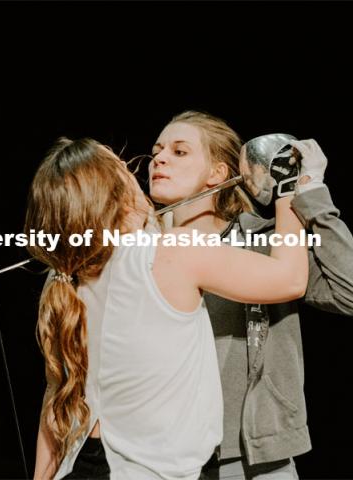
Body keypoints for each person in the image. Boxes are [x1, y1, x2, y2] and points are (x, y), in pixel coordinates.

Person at [26, 136, 308, 480]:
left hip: (81, 467)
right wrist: (290, 186)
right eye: (124, 169)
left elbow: (54, 406)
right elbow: (290, 278)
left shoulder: (64, 278)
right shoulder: (173, 251)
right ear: (117, 191)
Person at [148, 111, 353, 479]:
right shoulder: (139, 251)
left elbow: (349, 292)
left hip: (254, 461)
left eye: (179, 152)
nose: (158, 159)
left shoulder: (269, 243)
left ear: (218, 174)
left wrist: (312, 196)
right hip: (161, 457)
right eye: (157, 151)